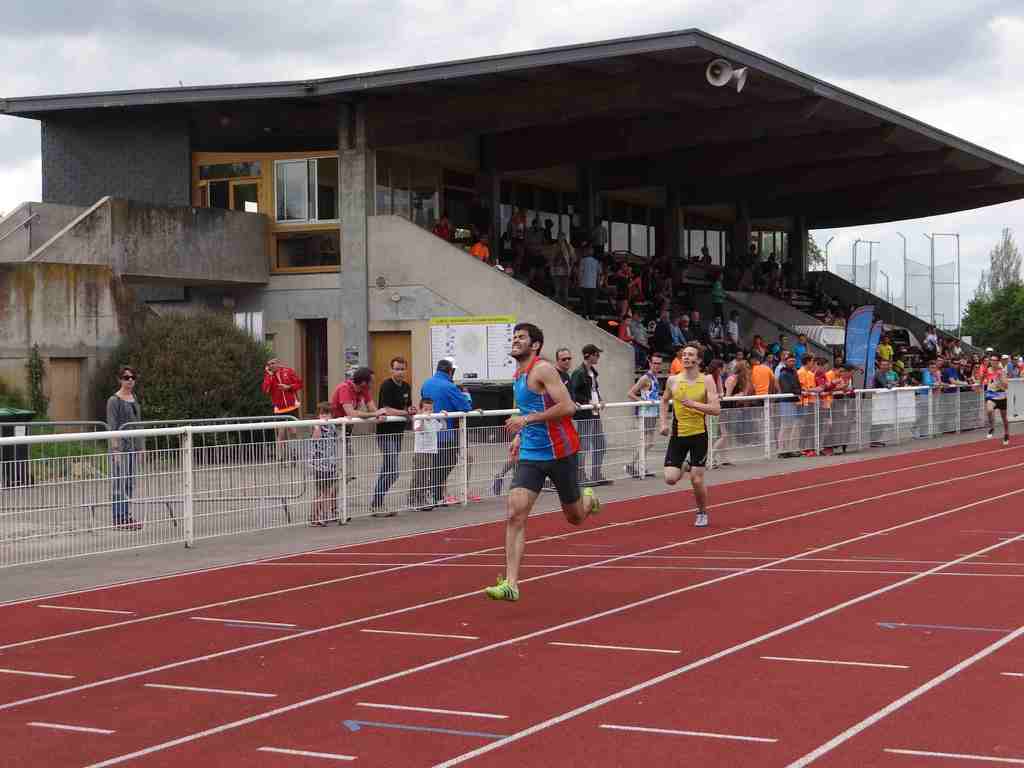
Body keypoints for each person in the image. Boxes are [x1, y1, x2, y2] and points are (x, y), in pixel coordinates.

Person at [484, 323, 600, 602]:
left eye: (521, 337)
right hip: (531, 455)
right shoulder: (518, 375)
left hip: (561, 453)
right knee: (515, 513)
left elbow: (568, 407)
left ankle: (587, 500)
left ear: (535, 345)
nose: (515, 340)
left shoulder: (543, 369)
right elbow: (529, 409)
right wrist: (520, 436)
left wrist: (526, 420)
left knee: (575, 517)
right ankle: (511, 584)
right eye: (514, 337)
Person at [659, 343, 721, 527]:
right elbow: (664, 401)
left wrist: (694, 404)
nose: (686, 357)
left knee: (696, 479)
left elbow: (716, 409)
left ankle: (702, 512)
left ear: (699, 360)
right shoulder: (673, 380)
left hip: (699, 435)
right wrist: (663, 423)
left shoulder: (707, 380)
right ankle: (686, 465)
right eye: (684, 354)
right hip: (678, 435)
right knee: (670, 479)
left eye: (690, 354)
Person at [421, 358, 472, 506]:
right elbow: (465, 407)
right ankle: (433, 492)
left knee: (436, 462)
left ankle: (435, 495)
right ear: (450, 371)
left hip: (428, 428)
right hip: (445, 430)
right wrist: (467, 396)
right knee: (448, 461)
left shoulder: (426, 383)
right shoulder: (450, 386)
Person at [371, 356, 417, 517]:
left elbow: (407, 407)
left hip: (398, 432)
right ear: (391, 370)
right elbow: (386, 409)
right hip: (385, 433)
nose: (400, 372)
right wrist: (404, 412)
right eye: (397, 369)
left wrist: (411, 410)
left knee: (388, 469)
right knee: (393, 471)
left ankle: (377, 503)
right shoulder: (386, 385)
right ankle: (376, 504)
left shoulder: (406, 386)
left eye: (402, 369)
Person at [107, 365, 143, 531]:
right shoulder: (114, 400)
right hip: (121, 448)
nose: (130, 380)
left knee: (129, 482)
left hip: (132, 448)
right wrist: (115, 449)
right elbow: (112, 425)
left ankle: (127, 515)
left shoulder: (134, 398)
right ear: (120, 379)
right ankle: (118, 517)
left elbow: (138, 424)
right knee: (119, 482)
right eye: (126, 377)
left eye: (132, 377)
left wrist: (141, 447)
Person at [570, 344, 610, 485]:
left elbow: (594, 390)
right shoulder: (579, 373)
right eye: (596, 355)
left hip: (594, 412)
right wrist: (587, 401)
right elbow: (573, 393)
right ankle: (580, 476)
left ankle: (596, 474)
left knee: (600, 443)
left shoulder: (592, 372)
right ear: (589, 355)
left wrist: (600, 400)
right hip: (585, 414)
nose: (598, 357)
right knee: (584, 445)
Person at [625, 352, 663, 479]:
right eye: (655, 363)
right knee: (647, 442)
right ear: (650, 363)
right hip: (646, 413)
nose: (657, 366)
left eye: (659, 363)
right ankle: (632, 464)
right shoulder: (645, 378)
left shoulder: (654, 378)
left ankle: (638, 465)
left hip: (653, 413)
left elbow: (653, 393)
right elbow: (630, 393)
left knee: (648, 442)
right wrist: (642, 401)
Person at [262, 358, 303, 459]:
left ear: (278, 363)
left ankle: (294, 453)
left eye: (273, 363)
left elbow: (299, 384)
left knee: (293, 430)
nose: (271, 365)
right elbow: (266, 390)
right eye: (269, 364)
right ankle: (281, 456)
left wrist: (288, 387)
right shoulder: (269, 376)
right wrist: (270, 376)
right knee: (281, 433)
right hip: (279, 408)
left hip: (292, 406)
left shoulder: (288, 371)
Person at [309, 402, 339, 526]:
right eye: (322, 414)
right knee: (322, 492)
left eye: (327, 414)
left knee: (328, 491)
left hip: (330, 464)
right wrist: (317, 427)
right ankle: (314, 516)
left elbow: (336, 436)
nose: (325, 416)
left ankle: (325, 515)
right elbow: (315, 438)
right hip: (320, 465)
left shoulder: (332, 425)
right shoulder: (317, 426)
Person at [408, 398, 441, 511]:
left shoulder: (433, 419)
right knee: (418, 476)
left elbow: (442, 427)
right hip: (420, 451)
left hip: (431, 451)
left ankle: (422, 498)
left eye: (431, 409)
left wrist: (442, 415)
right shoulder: (418, 418)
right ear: (421, 409)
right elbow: (418, 429)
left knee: (426, 476)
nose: (429, 412)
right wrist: (423, 418)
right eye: (426, 409)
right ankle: (412, 499)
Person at [776, 353, 802, 457]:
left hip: (792, 401)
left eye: (793, 361)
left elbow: (798, 385)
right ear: (785, 362)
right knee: (785, 426)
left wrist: (798, 391)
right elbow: (787, 389)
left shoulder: (793, 372)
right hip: (786, 401)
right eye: (790, 361)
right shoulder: (784, 374)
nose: (792, 363)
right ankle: (782, 450)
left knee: (790, 426)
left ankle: (787, 449)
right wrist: (798, 392)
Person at [983, 354, 1010, 445]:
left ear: (998, 362)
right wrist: (979, 385)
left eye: (995, 360)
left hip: (1001, 396)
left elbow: (1006, 386)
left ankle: (1006, 433)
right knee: (989, 410)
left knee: (1004, 418)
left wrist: (1000, 378)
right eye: (991, 360)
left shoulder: (1002, 371)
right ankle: (992, 427)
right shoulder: (988, 369)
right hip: (991, 394)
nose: (992, 362)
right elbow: (982, 376)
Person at [578, 246, 600, 319]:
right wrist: (598, 284)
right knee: (592, 302)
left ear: (586, 252)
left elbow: (580, 273)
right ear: (592, 252)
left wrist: (578, 282)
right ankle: (592, 316)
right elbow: (598, 274)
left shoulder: (582, 261)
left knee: (584, 302)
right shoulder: (596, 262)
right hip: (593, 285)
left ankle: (584, 315)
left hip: (583, 284)